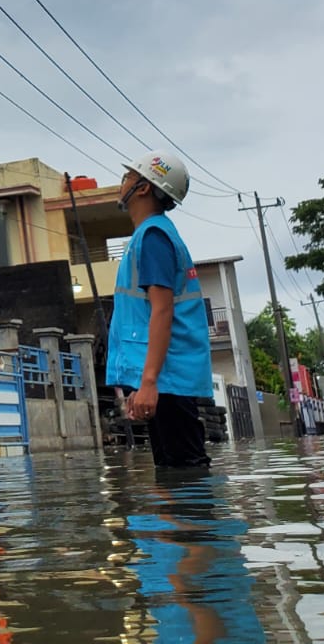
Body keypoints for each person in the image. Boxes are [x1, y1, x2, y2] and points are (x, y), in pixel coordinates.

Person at [106, 150, 214, 469]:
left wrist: (149, 382)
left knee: (185, 469)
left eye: (128, 175)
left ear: (142, 188)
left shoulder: (153, 237)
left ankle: (196, 518)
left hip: (166, 379)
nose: (122, 181)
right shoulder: (149, 236)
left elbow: (162, 310)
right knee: (175, 470)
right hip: (165, 376)